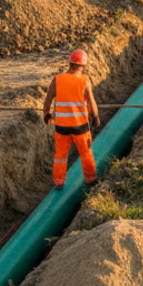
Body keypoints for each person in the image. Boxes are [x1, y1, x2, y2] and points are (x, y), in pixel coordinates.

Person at [42, 49, 101, 189]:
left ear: (70, 63)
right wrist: (95, 116)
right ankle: (91, 180)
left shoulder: (57, 79)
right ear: (82, 65)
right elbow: (91, 101)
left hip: (61, 127)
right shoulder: (84, 80)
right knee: (86, 153)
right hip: (80, 127)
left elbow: (48, 99)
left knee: (60, 156)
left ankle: (58, 182)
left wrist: (46, 114)